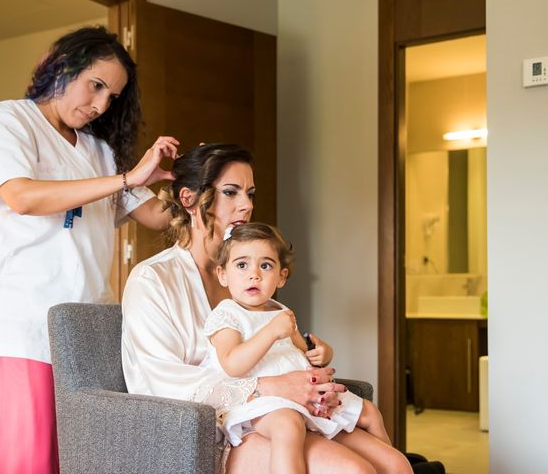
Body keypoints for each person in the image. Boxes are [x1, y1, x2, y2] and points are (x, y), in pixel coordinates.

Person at [0, 26, 179, 474]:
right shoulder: (6, 121)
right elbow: (21, 197)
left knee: (79, 460)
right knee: (23, 461)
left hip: (86, 333)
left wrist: (204, 186)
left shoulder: (99, 151)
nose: (101, 104)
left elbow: (158, 216)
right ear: (60, 65)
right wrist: (126, 180)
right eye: (95, 85)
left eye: (113, 96)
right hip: (21, 330)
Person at [121, 143, 412, 474]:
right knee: (355, 471)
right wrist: (270, 387)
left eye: (250, 193)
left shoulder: (251, 283)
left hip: (287, 413)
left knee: (397, 464)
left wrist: (312, 383)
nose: (246, 205)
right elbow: (159, 384)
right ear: (188, 199)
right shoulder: (153, 280)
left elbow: (283, 349)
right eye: (231, 192)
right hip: (218, 429)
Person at [203, 222, 411, 474]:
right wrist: (270, 332)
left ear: (281, 277)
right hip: (263, 405)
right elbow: (232, 364)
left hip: (306, 400)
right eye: (242, 265)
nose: (254, 274)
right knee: (287, 425)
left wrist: (323, 353)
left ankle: (387, 465)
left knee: (370, 412)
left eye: (265, 265)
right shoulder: (227, 314)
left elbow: (305, 355)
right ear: (222, 274)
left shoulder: (280, 313)